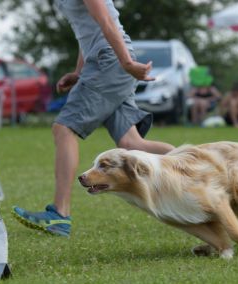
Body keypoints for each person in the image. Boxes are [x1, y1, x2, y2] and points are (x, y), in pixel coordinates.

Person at [12, 0, 174, 237]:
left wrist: (126, 63)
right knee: (132, 144)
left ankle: (60, 213)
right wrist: (79, 72)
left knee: (64, 129)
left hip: (110, 59)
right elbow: (86, 30)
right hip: (107, 58)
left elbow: (106, 21)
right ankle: (197, 168)